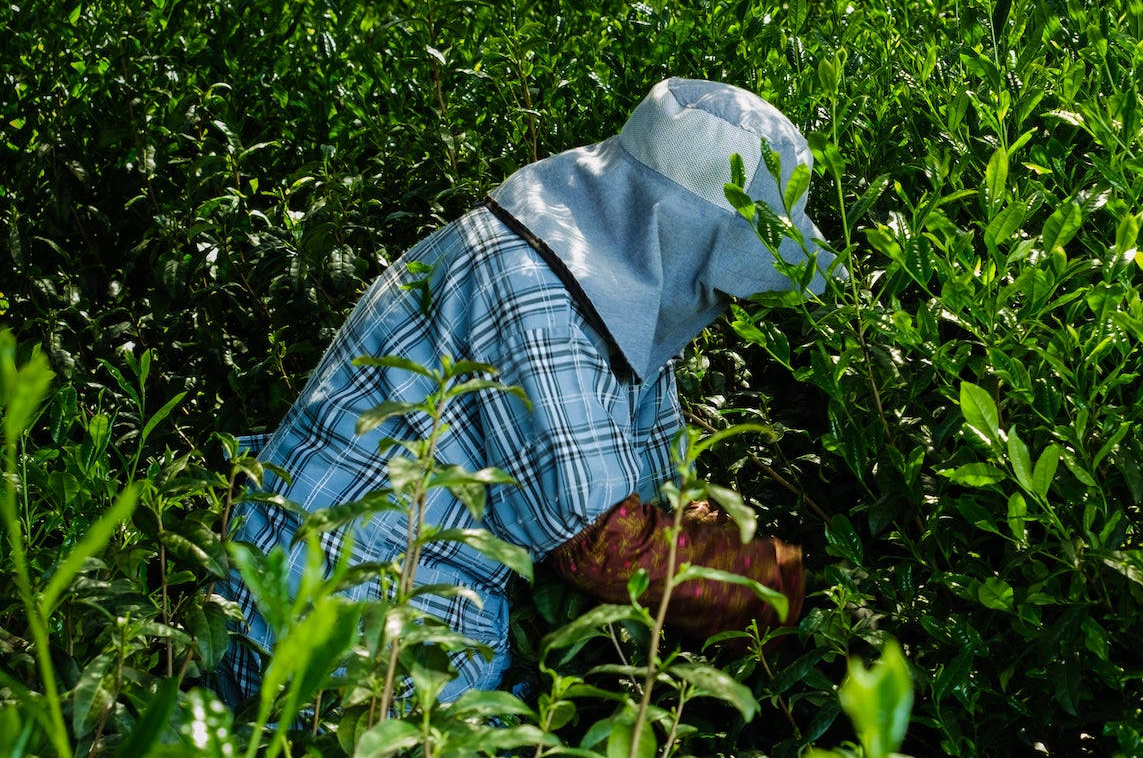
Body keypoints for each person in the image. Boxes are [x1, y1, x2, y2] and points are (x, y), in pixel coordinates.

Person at [214, 78, 824, 703]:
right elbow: (603, 545)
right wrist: (760, 583)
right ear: (681, 240)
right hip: (340, 624)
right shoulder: (536, 287)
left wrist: (718, 529)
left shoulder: (620, 288)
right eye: (719, 279)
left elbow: (653, 481)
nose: (721, 303)